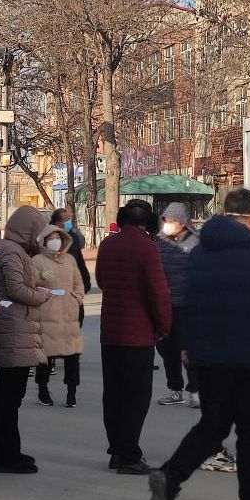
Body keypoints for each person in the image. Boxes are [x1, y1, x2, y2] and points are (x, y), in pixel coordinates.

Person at [149, 188, 250, 500]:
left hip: (208, 356)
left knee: (213, 426)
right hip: (246, 358)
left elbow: (191, 303)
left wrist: (189, 346)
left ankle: (171, 476)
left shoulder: (200, 253)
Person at [96, 199, 172, 475]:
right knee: (135, 397)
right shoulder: (147, 247)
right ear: (150, 222)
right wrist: (163, 327)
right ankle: (129, 455)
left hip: (110, 332)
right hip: (138, 334)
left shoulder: (107, 245)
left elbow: (102, 280)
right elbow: (158, 293)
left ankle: (117, 451)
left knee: (114, 394)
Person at [0, 206, 53, 474]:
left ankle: (11, 451)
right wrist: (42, 295)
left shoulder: (15, 250)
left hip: (19, 327)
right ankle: (6, 456)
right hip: (14, 328)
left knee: (12, 395)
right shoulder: (12, 251)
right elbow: (16, 289)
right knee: (8, 396)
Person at [32, 225, 85, 408]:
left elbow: (78, 282)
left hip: (68, 315)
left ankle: (72, 392)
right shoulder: (37, 260)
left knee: (73, 356)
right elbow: (29, 283)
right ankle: (43, 390)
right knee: (45, 357)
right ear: (44, 241)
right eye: (51, 238)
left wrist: (77, 298)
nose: (55, 241)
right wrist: (40, 276)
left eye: (58, 238)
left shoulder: (69, 260)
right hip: (46, 315)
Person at [155, 202, 200, 408]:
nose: (168, 224)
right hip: (165, 305)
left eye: (172, 221)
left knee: (187, 349)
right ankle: (175, 388)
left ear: (182, 222)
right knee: (166, 348)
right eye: (166, 220)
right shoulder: (161, 242)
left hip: (187, 305)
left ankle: (195, 389)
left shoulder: (196, 242)